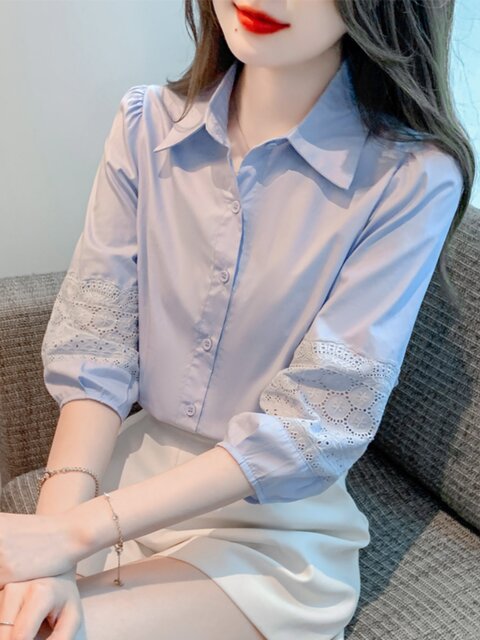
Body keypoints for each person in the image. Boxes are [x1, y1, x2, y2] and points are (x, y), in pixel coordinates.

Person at [0, 0, 475, 638]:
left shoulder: (411, 179)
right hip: (118, 475)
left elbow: (314, 423)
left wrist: (71, 534)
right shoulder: (145, 125)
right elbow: (97, 348)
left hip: (269, 529)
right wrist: (55, 539)